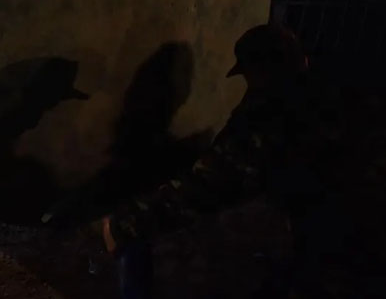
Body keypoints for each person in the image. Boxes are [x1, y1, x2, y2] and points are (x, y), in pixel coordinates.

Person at [101, 25, 349, 297]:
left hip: (344, 253)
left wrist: (125, 223)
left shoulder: (275, 117)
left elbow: (210, 183)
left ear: (264, 70)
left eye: (251, 76)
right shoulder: (334, 92)